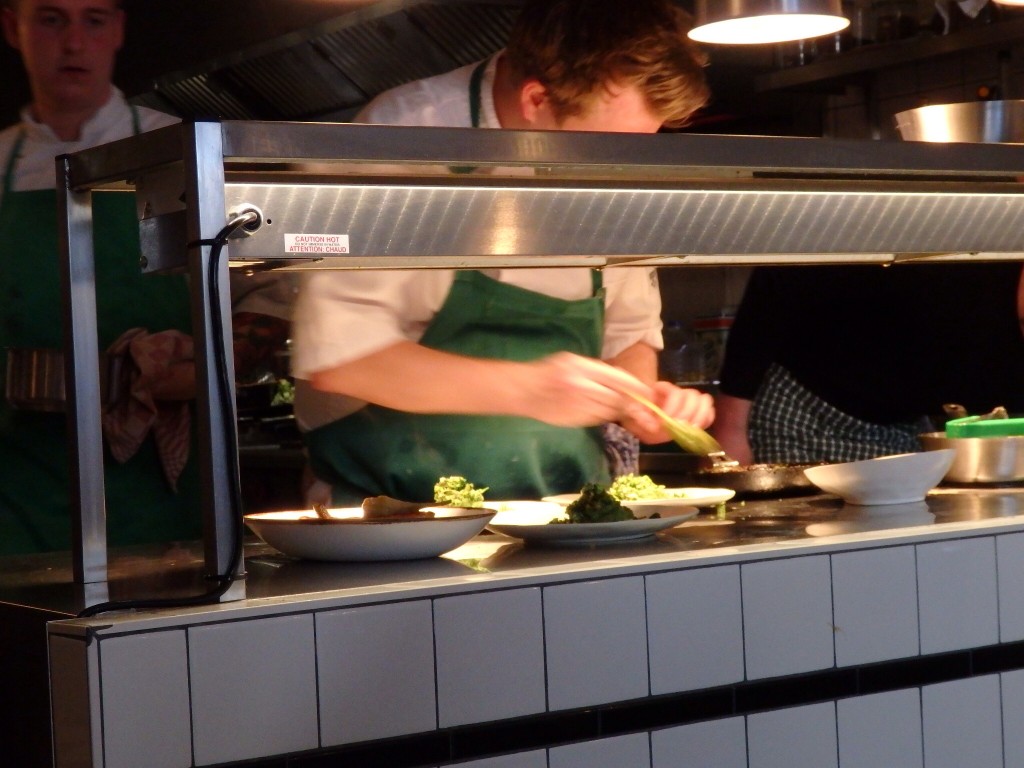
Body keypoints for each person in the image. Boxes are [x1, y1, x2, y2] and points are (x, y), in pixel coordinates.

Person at [291, 0, 715, 505]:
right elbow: (342, 358)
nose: (620, 166)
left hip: (567, 514)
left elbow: (629, 333)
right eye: (603, 146)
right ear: (536, 100)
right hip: (392, 515)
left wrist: (642, 403)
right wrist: (531, 389)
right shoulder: (404, 136)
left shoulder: (622, 159)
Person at [0, 0, 201, 555]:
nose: (72, 42)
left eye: (93, 19)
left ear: (117, 29)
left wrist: (188, 373)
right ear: (11, 27)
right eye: (50, 18)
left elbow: (258, 304)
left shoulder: (180, 152)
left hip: (157, 497)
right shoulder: (1, 163)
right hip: (18, 488)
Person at [711, 261, 1024, 465]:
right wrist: (730, 427)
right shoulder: (971, 253)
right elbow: (781, 274)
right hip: (806, 414)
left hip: (905, 432)